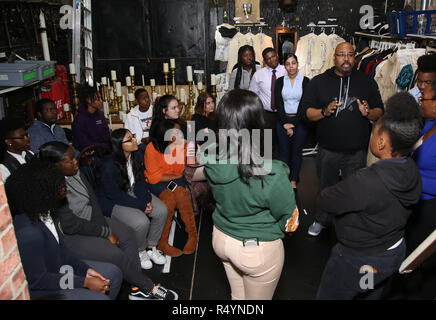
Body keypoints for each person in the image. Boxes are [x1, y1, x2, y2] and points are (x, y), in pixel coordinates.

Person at [38, 141, 178, 300]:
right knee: (115, 254)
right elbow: (70, 225)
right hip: (72, 235)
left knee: (128, 234)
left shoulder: (74, 172)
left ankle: (135, 287)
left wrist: (104, 226)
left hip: (92, 219)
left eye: (74, 158)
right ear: (54, 165)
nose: (76, 162)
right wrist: (105, 232)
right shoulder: (53, 188)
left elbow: (93, 199)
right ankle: (148, 286)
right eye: (69, 160)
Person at [316, 92, 422, 300]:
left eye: (373, 133)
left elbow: (326, 199)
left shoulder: (367, 181)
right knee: (368, 290)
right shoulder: (411, 170)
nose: (371, 136)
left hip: (359, 259)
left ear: (381, 143)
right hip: (388, 254)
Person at [199, 89, 299, 300]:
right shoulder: (272, 171)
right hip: (256, 248)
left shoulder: (211, 157)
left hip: (221, 239)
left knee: (238, 297)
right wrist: (279, 229)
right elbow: (289, 217)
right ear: (257, 122)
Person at [5, 159, 123, 300]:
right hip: (46, 289)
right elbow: (38, 280)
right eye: (59, 184)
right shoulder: (29, 233)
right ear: (42, 190)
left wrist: (85, 270)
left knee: (113, 273)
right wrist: (84, 282)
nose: (65, 185)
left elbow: (62, 252)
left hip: (59, 268)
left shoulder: (46, 211)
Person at [301, 42, 384, 237]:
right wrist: (324, 111)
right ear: (334, 57)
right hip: (328, 150)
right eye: (341, 55)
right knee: (325, 188)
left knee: (355, 190)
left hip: (356, 151)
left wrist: (368, 112)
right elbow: (305, 113)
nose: (346, 59)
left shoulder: (367, 81)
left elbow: (380, 111)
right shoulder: (319, 82)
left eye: (350, 55)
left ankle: (351, 224)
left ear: (355, 58)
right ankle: (321, 220)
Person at [94, 129, 169, 270]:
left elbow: (140, 181)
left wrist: (145, 200)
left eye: (133, 137)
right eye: (129, 139)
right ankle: (140, 251)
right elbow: (114, 194)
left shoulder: (135, 155)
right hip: (112, 201)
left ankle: (151, 246)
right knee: (141, 222)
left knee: (162, 210)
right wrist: (140, 205)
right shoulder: (108, 165)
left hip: (132, 191)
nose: (135, 140)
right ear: (119, 145)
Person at [144, 119, 198, 257]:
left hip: (174, 179)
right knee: (168, 199)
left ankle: (192, 235)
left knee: (180, 194)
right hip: (158, 182)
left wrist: (188, 144)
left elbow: (183, 165)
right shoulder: (151, 148)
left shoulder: (180, 144)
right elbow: (154, 177)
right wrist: (175, 176)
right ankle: (163, 241)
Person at [405, 80, 436, 299]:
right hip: (415, 202)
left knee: (425, 261)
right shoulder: (428, 124)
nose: (419, 100)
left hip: (430, 208)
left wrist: (412, 179)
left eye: (423, 97)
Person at [274, 53, 310, 188]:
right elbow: (278, 103)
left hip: (300, 121)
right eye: (288, 64)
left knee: (296, 151)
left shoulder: (306, 81)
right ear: (285, 66)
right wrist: (285, 123)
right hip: (282, 120)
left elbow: (304, 104)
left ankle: (293, 180)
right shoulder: (279, 81)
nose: (291, 66)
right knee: (283, 152)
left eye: (293, 63)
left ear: (297, 63)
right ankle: (284, 178)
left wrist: (293, 124)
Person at [249, 47, 287, 157]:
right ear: (265, 61)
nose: (271, 60)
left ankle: (281, 168)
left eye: (273, 56)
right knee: (266, 144)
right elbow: (252, 95)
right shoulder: (258, 74)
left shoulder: (286, 71)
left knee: (282, 143)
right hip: (266, 115)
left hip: (283, 113)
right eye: (268, 59)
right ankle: (267, 169)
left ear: (277, 55)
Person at [186, 92, 217, 215]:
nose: (211, 105)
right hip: (203, 151)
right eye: (207, 103)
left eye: (212, 102)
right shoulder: (196, 118)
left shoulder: (216, 117)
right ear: (201, 105)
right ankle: (212, 200)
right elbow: (191, 140)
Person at [72, 85, 111, 152]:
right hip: (89, 153)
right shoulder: (79, 119)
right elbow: (83, 143)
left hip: (103, 150)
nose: (101, 101)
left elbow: (106, 135)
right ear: (88, 100)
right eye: (98, 99)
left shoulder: (100, 115)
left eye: (101, 98)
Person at [0, 117, 34, 182]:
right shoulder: (3, 167)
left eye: (26, 135)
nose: (27, 139)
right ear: (8, 142)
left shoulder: (30, 154)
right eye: (22, 137)